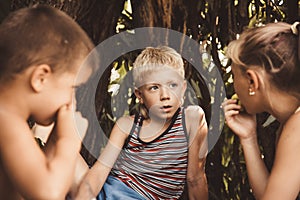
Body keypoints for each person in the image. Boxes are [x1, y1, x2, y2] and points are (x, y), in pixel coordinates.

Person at [74, 46, 208, 199]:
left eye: (172, 85)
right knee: (68, 155)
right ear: (140, 95)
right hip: (107, 192)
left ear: (183, 88)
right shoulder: (126, 125)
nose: (165, 95)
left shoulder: (191, 118)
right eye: (154, 88)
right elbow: (99, 173)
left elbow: (195, 179)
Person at [0, 5, 94, 199]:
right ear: (40, 78)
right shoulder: (5, 116)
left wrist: (55, 141)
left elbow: (30, 188)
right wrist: (69, 141)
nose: (71, 100)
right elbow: (48, 194)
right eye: (72, 88)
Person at [222, 22, 300, 200]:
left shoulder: (297, 127)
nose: (234, 86)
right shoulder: (290, 122)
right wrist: (248, 138)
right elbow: (272, 194)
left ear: (252, 81)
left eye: (234, 75)